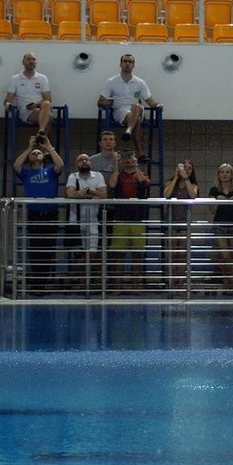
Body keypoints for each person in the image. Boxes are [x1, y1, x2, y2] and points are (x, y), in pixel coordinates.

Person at [13, 131, 65, 292]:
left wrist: (48, 147)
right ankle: (36, 282)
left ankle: (42, 282)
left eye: (38, 152)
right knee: (35, 249)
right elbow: (16, 166)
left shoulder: (50, 171)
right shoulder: (27, 173)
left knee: (48, 249)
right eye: (33, 154)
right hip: (34, 215)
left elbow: (60, 165)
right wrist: (29, 148)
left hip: (50, 214)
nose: (36, 154)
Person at [97, 52, 162, 157]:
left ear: (133, 65)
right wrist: (104, 102)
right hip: (120, 111)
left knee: (137, 106)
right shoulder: (111, 81)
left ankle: (129, 130)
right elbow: (99, 102)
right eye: (125, 61)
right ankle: (140, 154)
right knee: (137, 120)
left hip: (137, 109)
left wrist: (158, 105)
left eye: (130, 62)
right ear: (120, 64)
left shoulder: (140, 82)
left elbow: (149, 100)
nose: (127, 63)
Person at [108, 149, 151, 292]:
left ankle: (135, 287)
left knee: (137, 255)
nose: (128, 160)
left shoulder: (142, 174)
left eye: (131, 158)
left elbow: (144, 183)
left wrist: (136, 165)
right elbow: (112, 184)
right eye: (126, 158)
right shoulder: (119, 175)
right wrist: (116, 164)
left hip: (138, 219)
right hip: (120, 218)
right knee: (118, 254)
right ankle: (117, 287)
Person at [64, 152, 107, 281]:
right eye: (80, 160)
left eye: (86, 160)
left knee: (92, 252)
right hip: (75, 221)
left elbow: (103, 194)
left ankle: (69, 277)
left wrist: (89, 191)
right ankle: (81, 283)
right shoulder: (73, 177)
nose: (84, 162)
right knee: (79, 253)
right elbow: (70, 194)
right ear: (76, 165)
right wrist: (91, 194)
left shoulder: (98, 176)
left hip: (93, 220)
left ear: (90, 163)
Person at [208, 162, 233, 291]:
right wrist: (217, 200)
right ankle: (229, 279)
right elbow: (211, 210)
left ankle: (230, 283)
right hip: (220, 224)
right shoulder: (214, 190)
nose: (225, 174)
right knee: (225, 255)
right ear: (218, 175)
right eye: (222, 172)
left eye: (227, 172)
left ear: (231, 175)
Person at [163, 158, 199, 281]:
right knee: (172, 253)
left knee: (183, 253)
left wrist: (186, 178)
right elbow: (166, 195)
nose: (187, 170)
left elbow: (193, 195)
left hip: (184, 221)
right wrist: (176, 177)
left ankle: (181, 281)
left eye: (189, 168)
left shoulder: (193, 185)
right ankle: (172, 280)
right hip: (171, 220)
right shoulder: (170, 182)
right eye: (185, 167)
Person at [3, 51, 52, 130]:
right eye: (28, 59)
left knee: (46, 104)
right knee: (49, 117)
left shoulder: (42, 78)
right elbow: (8, 100)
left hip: (40, 107)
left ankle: (41, 132)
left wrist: (36, 105)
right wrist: (8, 105)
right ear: (23, 62)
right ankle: (42, 135)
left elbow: (48, 99)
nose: (31, 61)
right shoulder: (15, 79)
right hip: (25, 110)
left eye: (33, 59)